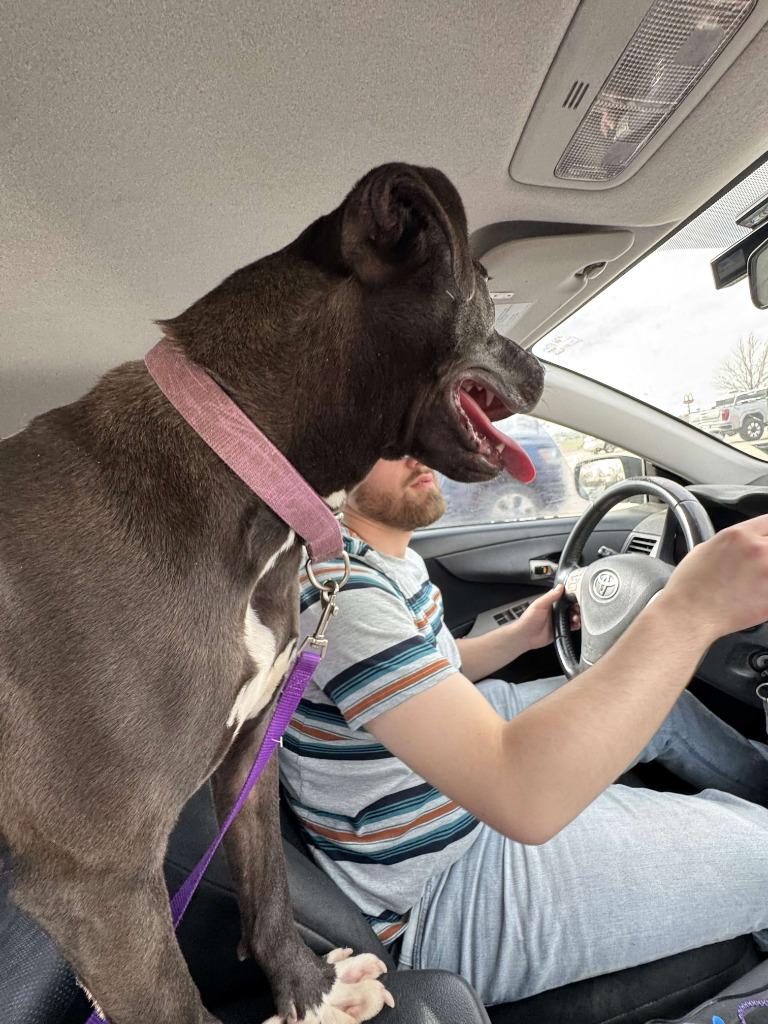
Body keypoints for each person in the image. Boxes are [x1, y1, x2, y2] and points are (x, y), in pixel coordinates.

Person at [279, 457, 768, 1006]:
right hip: (431, 891)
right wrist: (690, 607)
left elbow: (424, 668)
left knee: (664, 707)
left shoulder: (377, 557)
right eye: (385, 440)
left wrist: (521, 636)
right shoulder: (338, 589)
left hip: (445, 800)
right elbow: (522, 798)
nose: (417, 449)